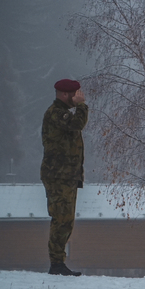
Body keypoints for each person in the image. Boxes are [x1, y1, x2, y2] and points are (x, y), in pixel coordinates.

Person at [41, 79, 88, 276]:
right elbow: (77, 124)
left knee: (66, 220)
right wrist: (82, 106)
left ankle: (58, 262)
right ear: (64, 95)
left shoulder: (63, 113)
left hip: (66, 175)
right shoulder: (56, 113)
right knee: (61, 218)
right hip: (58, 175)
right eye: (75, 94)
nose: (78, 97)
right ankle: (56, 263)